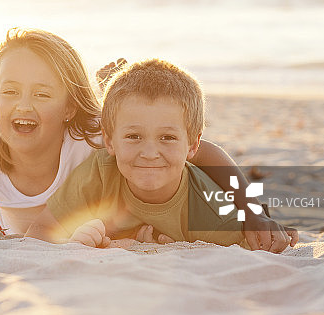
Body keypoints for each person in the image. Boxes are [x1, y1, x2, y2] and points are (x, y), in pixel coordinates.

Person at [0, 28, 297, 251]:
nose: (24, 105)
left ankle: (100, 85)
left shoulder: (90, 141)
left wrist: (252, 211)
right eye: (10, 91)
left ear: (70, 107)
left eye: (43, 93)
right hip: (3, 218)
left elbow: (196, 150)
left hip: (55, 218)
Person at [26, 58, 286, 250]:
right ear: (109, 140)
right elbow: (37, 232)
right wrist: (77, 244)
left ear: (192, 146)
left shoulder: (215, 218)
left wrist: (256, 214)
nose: (149, 153)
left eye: (167, 138)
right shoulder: (100, 172)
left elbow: (261, 245)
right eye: (134, 136)